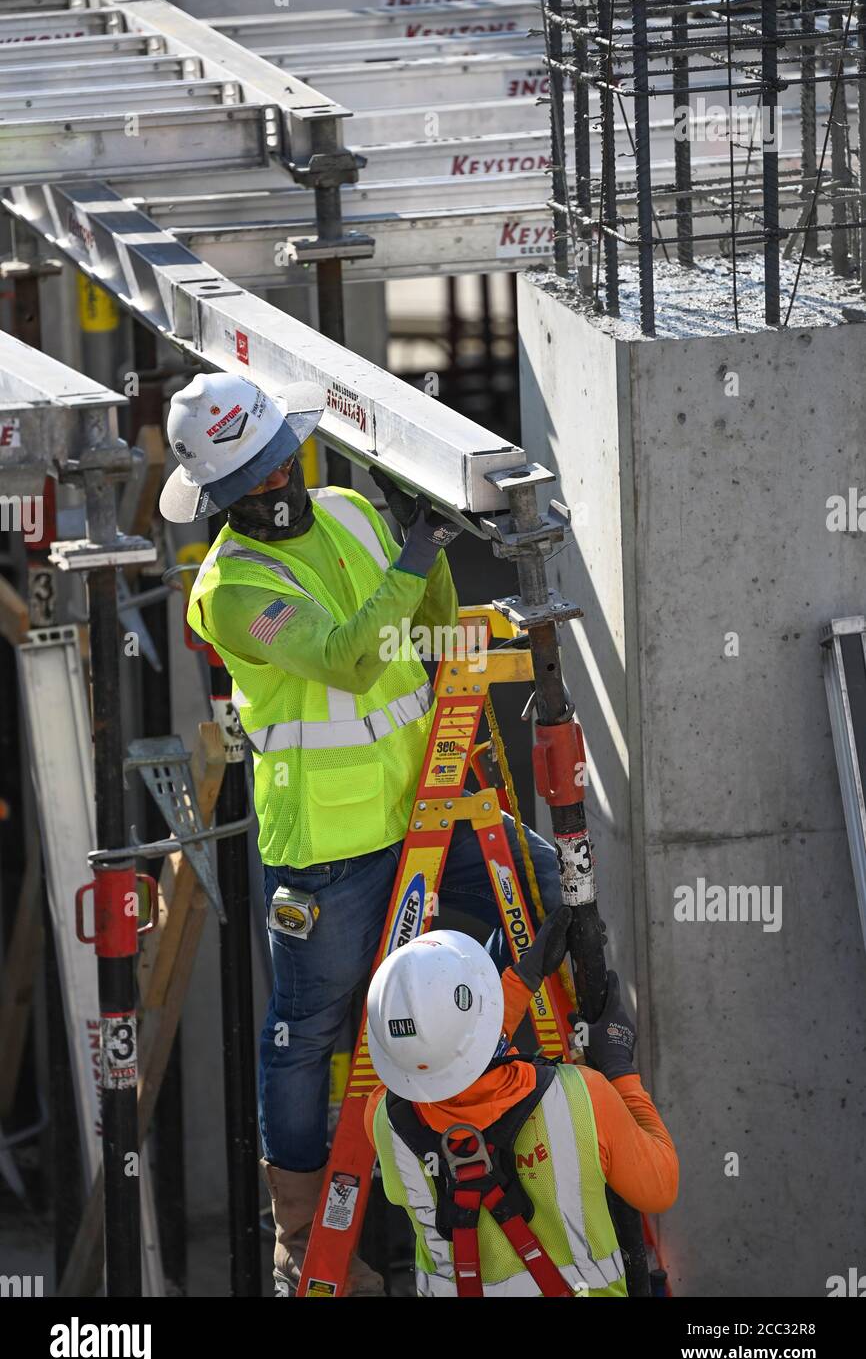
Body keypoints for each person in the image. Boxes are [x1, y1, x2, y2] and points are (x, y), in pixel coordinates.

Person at [159, 372, 568, 1295]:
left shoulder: (345, 509)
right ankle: (301, 1232)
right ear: (219, 500)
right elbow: (348, 659)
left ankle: (495, 1111)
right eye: (248, 486)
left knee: (539, 886)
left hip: (426, 808)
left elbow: (423, 625)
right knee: (306, 1033)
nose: (271, 492)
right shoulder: (230, 591)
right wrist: (415, 547)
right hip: (331, 847)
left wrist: (422, 545)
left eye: (276, 470)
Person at [365, 919, 679, 1298]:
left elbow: (447, 1066)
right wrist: (620, 1071)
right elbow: (658, 1189)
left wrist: (525, 977)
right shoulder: (582, 1096)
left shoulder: (384, 1120)